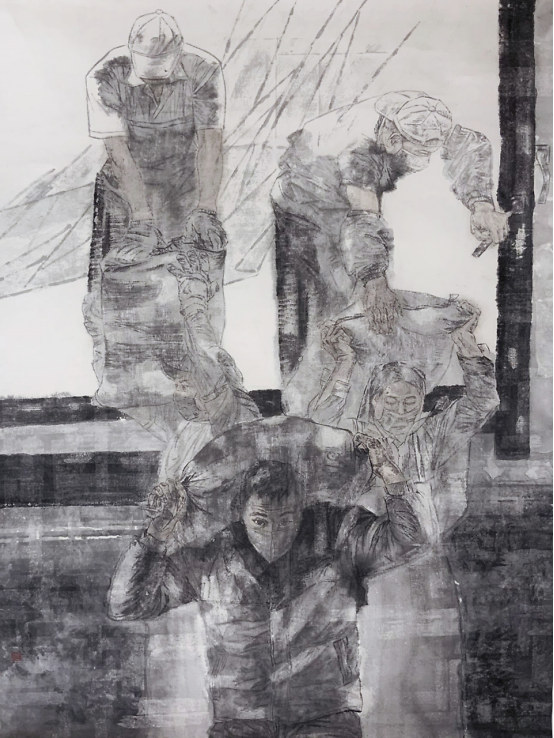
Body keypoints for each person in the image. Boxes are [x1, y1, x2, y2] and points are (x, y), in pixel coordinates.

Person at [108, 456, 426, 738]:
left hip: (325, 717)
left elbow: (409, 541)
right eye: (260, 521)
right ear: (242, 514)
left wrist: (394, 486)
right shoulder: (212, 558)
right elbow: (126, 605)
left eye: (286, 520)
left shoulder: (338, 536)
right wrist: (156, 535)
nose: (273, 534)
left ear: (301, 511)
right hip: (239, 722)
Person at [83, 10, 259, 477]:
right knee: (124, 293)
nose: (156, 81)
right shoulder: (105, 76)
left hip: (186, 189)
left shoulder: (204, 71)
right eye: (148, 73)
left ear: (178, 53)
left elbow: (211, 142)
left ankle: (206, 393)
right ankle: (131, 392)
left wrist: (206, 208)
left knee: (193, 291)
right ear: (132, 53)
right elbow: (118, 152)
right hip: (126, 195)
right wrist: (142, 220)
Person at [311, 311, 499, 736]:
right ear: (373, 399)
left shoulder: (428, 436)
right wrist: (344, 362)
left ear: (422, 401)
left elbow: (481, 403)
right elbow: (317, 418)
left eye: (410, 402)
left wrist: (468, 349)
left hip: (426, 571)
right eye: (390, 401)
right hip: (372, 573)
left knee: (433, 674)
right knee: (379, 674)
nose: (399, 411)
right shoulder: (353, 435)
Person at [271, 90, 510, 378]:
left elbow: (471, 145)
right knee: (326, 302)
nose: (421, 160)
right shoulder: (358, 153)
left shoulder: (423, 115)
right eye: (417, 152)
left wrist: (481, 205)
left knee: (365, 293)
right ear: (393, 139)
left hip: (345, 195)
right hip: (305, 202)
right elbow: (362, 220)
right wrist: (374, 280)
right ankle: (313, 383)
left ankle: (362, 381)